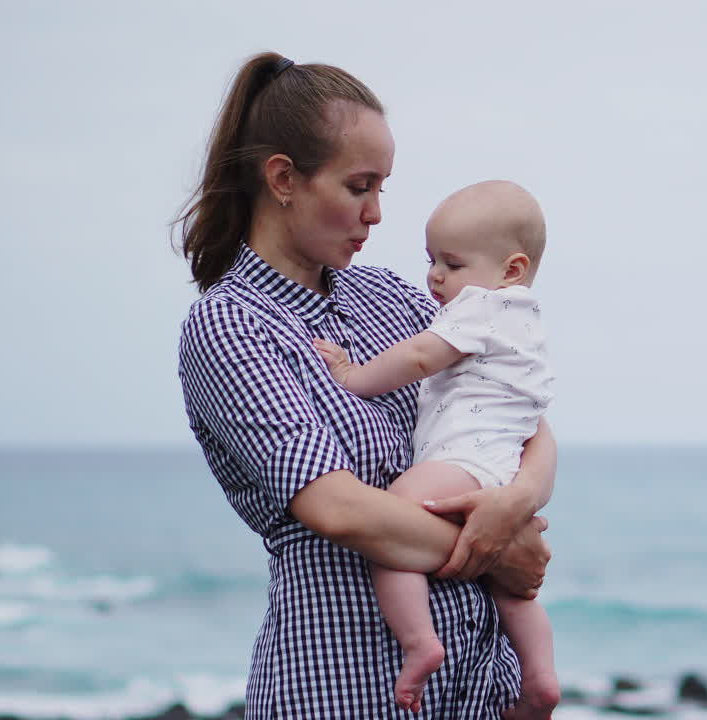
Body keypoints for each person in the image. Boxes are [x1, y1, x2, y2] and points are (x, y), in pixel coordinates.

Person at [174, 52, 557, 720]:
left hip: (476, 694)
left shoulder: (391, 298)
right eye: (359, 187)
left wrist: (518, 499)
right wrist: (495, 552)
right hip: (346, 690)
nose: (378, 213)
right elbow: (340, 510)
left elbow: (519, 412)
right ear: (284, 179)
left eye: (383, 187)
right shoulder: (230, 328)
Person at [313, 180, 557, 718]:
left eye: (452, 262)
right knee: (512, 589)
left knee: (391, 521)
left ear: (511, 270)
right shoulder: (526, 326)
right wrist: (521, 496)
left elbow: (422, 356)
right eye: (432, 261)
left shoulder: (480, 309)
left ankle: (419, 640)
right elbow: (534, 423)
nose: (435, 277)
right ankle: (540, 678)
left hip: (462, 462)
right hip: (499, 467)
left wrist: (352, 375)